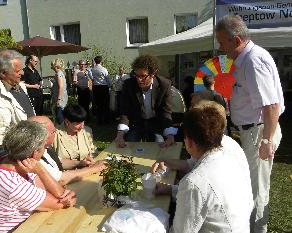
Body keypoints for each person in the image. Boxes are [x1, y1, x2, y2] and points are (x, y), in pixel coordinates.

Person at [216, 15, 285, 233]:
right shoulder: (246, 59)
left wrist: (266, 140)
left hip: (260, 132)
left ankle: (257, 230)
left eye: (222, 42)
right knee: (249, 186)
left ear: (236, 41)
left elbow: (271, 105)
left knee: (257, 189)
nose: (220, 47)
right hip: (254, 131)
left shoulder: (253, 60)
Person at [163, 101, 253, 233]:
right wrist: (170, 190)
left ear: (190, 142)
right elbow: (206, 195)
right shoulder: (229, 148)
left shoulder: (194, 182)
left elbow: (181, 230)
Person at [0, 120, 76, 232]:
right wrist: (40, 170)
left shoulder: (8, 160)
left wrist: (64, 194)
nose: (45, 150)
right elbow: (61, 203)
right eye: (44, 148)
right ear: (34, 153)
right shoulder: (15, 185)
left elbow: (57, 193)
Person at [114, 55, 176, 148]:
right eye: (136, 75)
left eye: (143, 76)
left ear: (153, 73)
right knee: (129, 146)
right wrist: (120, 134)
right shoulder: (128, 85)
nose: (139, 79)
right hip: (136, 122)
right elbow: (125, 110)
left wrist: (170, 135)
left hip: (156, 122)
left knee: (159, 145)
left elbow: (166, 112)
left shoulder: (164, 84)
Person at [29, 115, 106, 185]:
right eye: (53, 131)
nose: (56, 133)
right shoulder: (34, 156)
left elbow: (59, 162)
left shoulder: (43, 147)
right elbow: (61, 179)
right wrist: (96, 168)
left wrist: (81, 163)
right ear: (43, 136)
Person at [0, 49, 35, 157]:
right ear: (3, 73)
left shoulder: (19, 86)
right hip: (20, 155)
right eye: (17, 71)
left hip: (33, 147)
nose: (22, 73)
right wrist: (14, 160)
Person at [52, 104, 98, 169]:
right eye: (78, 123)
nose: (82, 127)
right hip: (65, 174)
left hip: (86, 170)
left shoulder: (87, 131)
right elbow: (52, 161)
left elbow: (93, 151)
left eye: (83, 122)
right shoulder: (54, 135)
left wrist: (90, 158)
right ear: (67, 122)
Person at [91, 55, 111, 124]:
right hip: (103, 87)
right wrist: (110, 86)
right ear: (101, 61)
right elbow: (107, 79)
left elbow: (91, 78)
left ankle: (99, 120)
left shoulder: (92, 69)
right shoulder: (103, 69)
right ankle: (106, 120)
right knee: (105, 104)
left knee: (98, 104)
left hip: (96, 87)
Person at [51, 58, 68, 125]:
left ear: (55, 65)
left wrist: (59, 99)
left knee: (59, 116)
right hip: (60, 98)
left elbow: (61, 87)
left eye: (52, 64)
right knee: (60, 115)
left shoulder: (59, 74)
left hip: (60, 99)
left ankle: (63, 130)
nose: (51, 65)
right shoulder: (59, 73)